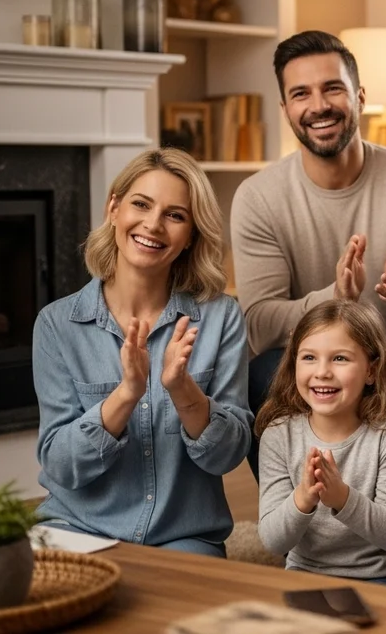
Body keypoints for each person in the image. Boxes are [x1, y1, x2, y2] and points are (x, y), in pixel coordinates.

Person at [230, 30, 386, 525]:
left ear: (359, 97)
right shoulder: (258, 197)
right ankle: (304, 519)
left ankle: (383, 525)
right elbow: (258, 325)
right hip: (313, 360)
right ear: (285, 108)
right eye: (301, 94)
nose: (318, 105)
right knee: (253, 379)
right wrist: (333, 300)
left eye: (333, 89)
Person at [34, 148, 250, 557]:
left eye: (175, 215)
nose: (153, 224)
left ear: (190, 236)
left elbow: (228, 455)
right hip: (76, 528)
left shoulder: (222, 318)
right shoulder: (56, 324)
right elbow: (60, 463)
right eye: (141, 204)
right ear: (114, 208)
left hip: (184, 534)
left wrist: (184, 391)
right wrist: (126, 394)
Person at [255, 300, 386, 588]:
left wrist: (342, 498)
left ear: (371, 370)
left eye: (340, 359)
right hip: (307, 574)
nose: (322, 372)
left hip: (384, 575)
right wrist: (304, 498)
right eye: (309, 357)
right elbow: (272, 540)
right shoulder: (279, 435)